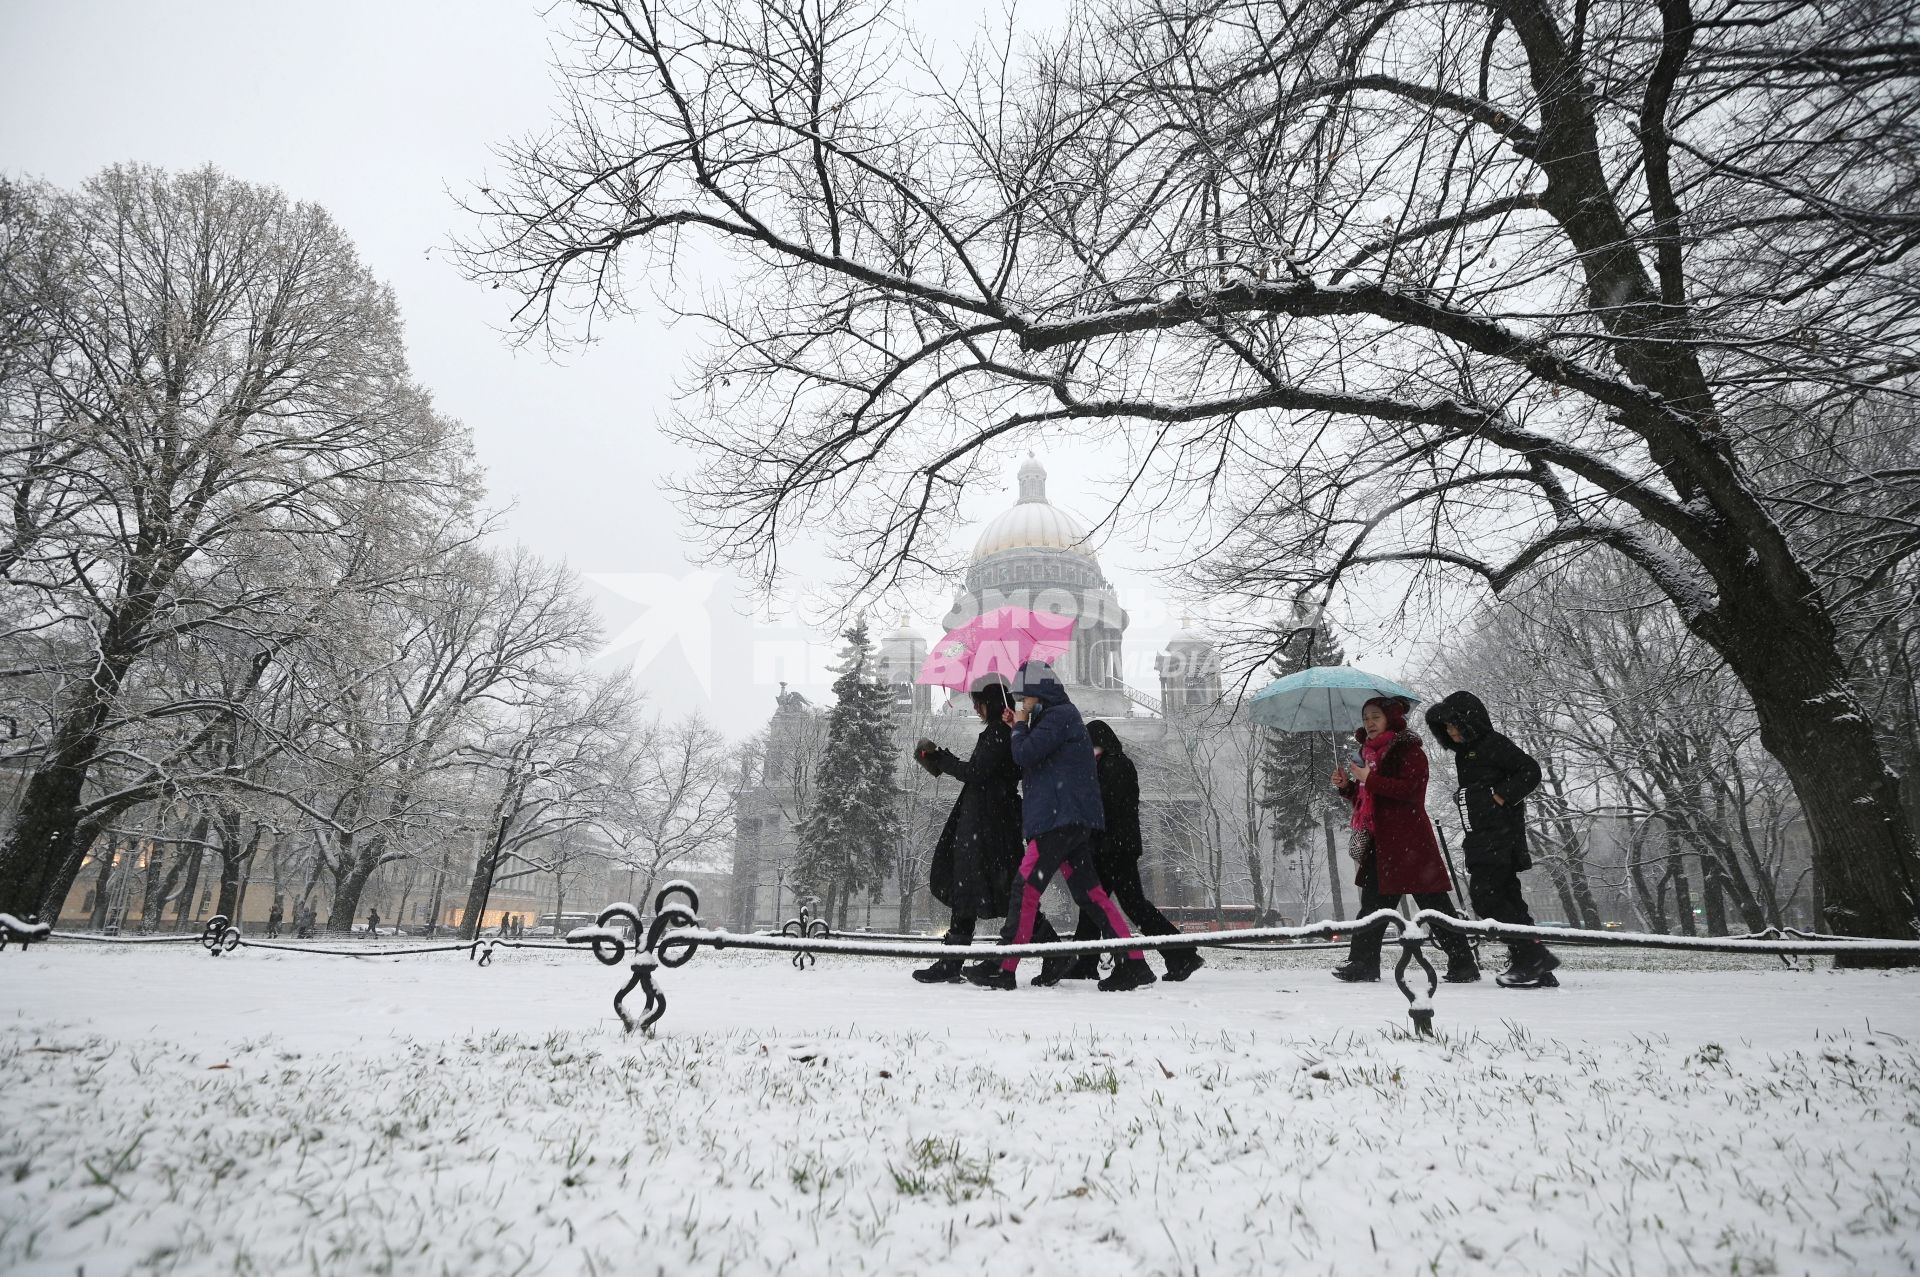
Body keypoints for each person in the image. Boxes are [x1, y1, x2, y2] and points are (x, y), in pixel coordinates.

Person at [970, 660, 1156, 992]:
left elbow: (1024, 755)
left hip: (1056, 820)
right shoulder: (1058, 718)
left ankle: (1005, 965)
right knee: (1092, 895)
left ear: (1036, 692)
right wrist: (1021, 722)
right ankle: (1135, 963)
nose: (1019, 702)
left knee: (1024, 890)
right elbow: (1034, 751)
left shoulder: (1058, 717)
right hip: (1070, 821)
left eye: (1022, 696)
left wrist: (1020, 723)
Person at [911, 680, 1068, 984]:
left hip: (988, 823)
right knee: (975, 888)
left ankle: (1053, 954)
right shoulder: (1007, 732)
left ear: (991, 703)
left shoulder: (999, 733)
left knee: (998, 887)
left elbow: (977, 772)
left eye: (978, 701)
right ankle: (954, 961)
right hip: (990, 820)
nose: (975, 707)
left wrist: (942, 760)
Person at [1330, 696, 1479, 983]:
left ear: (1389, 718)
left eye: (1375, 716)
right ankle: (1363, 963)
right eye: (1365, 719)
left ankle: (1463, 964)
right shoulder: (1368, 755)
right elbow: (1368, 801)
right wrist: (1349, 786)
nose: (1369, 723)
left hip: (1410, 843)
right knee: (1373, 906)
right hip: (1382, 844)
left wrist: (1369, 779)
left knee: (1434, 905)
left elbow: (1411, 790)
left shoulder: (1407, 750)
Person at [1425, 690, 1561, 988]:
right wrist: (1470, 797)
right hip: (1483, 836)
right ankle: (1533, 963)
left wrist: (1500, 796)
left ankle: (1532, 955)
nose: (1450, 731)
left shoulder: (1493, 743)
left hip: (1499, 837)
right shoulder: (1465, 754)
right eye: (1445, 728)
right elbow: (1481, 787)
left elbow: (1530, 770)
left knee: (1486, 896)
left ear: (1469, 721)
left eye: (1454, 724)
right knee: (1509, 898)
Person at [1061, 721, 1202, 982]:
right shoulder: (1108, 764)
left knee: (1127, 905)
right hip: (1112, 847)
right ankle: (1085, 961)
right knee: (1098, 904)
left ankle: (1181, 954)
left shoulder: (1115, 765)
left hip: (1113, 848)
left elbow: (1105, 806)